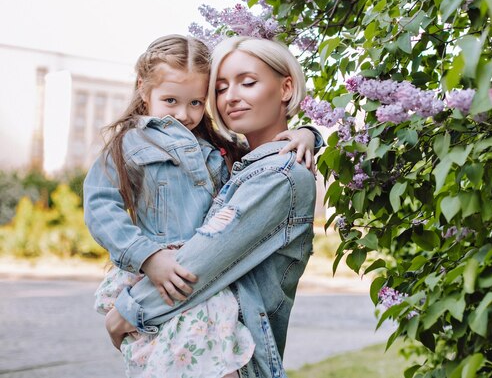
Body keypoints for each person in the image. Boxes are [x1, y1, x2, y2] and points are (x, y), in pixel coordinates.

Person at [83, 34, 319, 378]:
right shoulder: (145, 144)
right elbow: (101, 205)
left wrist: (127, 313)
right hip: (168, 288)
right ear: (143, 90)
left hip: (194, 306)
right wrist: (145, 256)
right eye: (220, 89)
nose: (230, 98)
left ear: (285, 88)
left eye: (196, 102)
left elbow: (201, 264)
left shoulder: (272, 171)